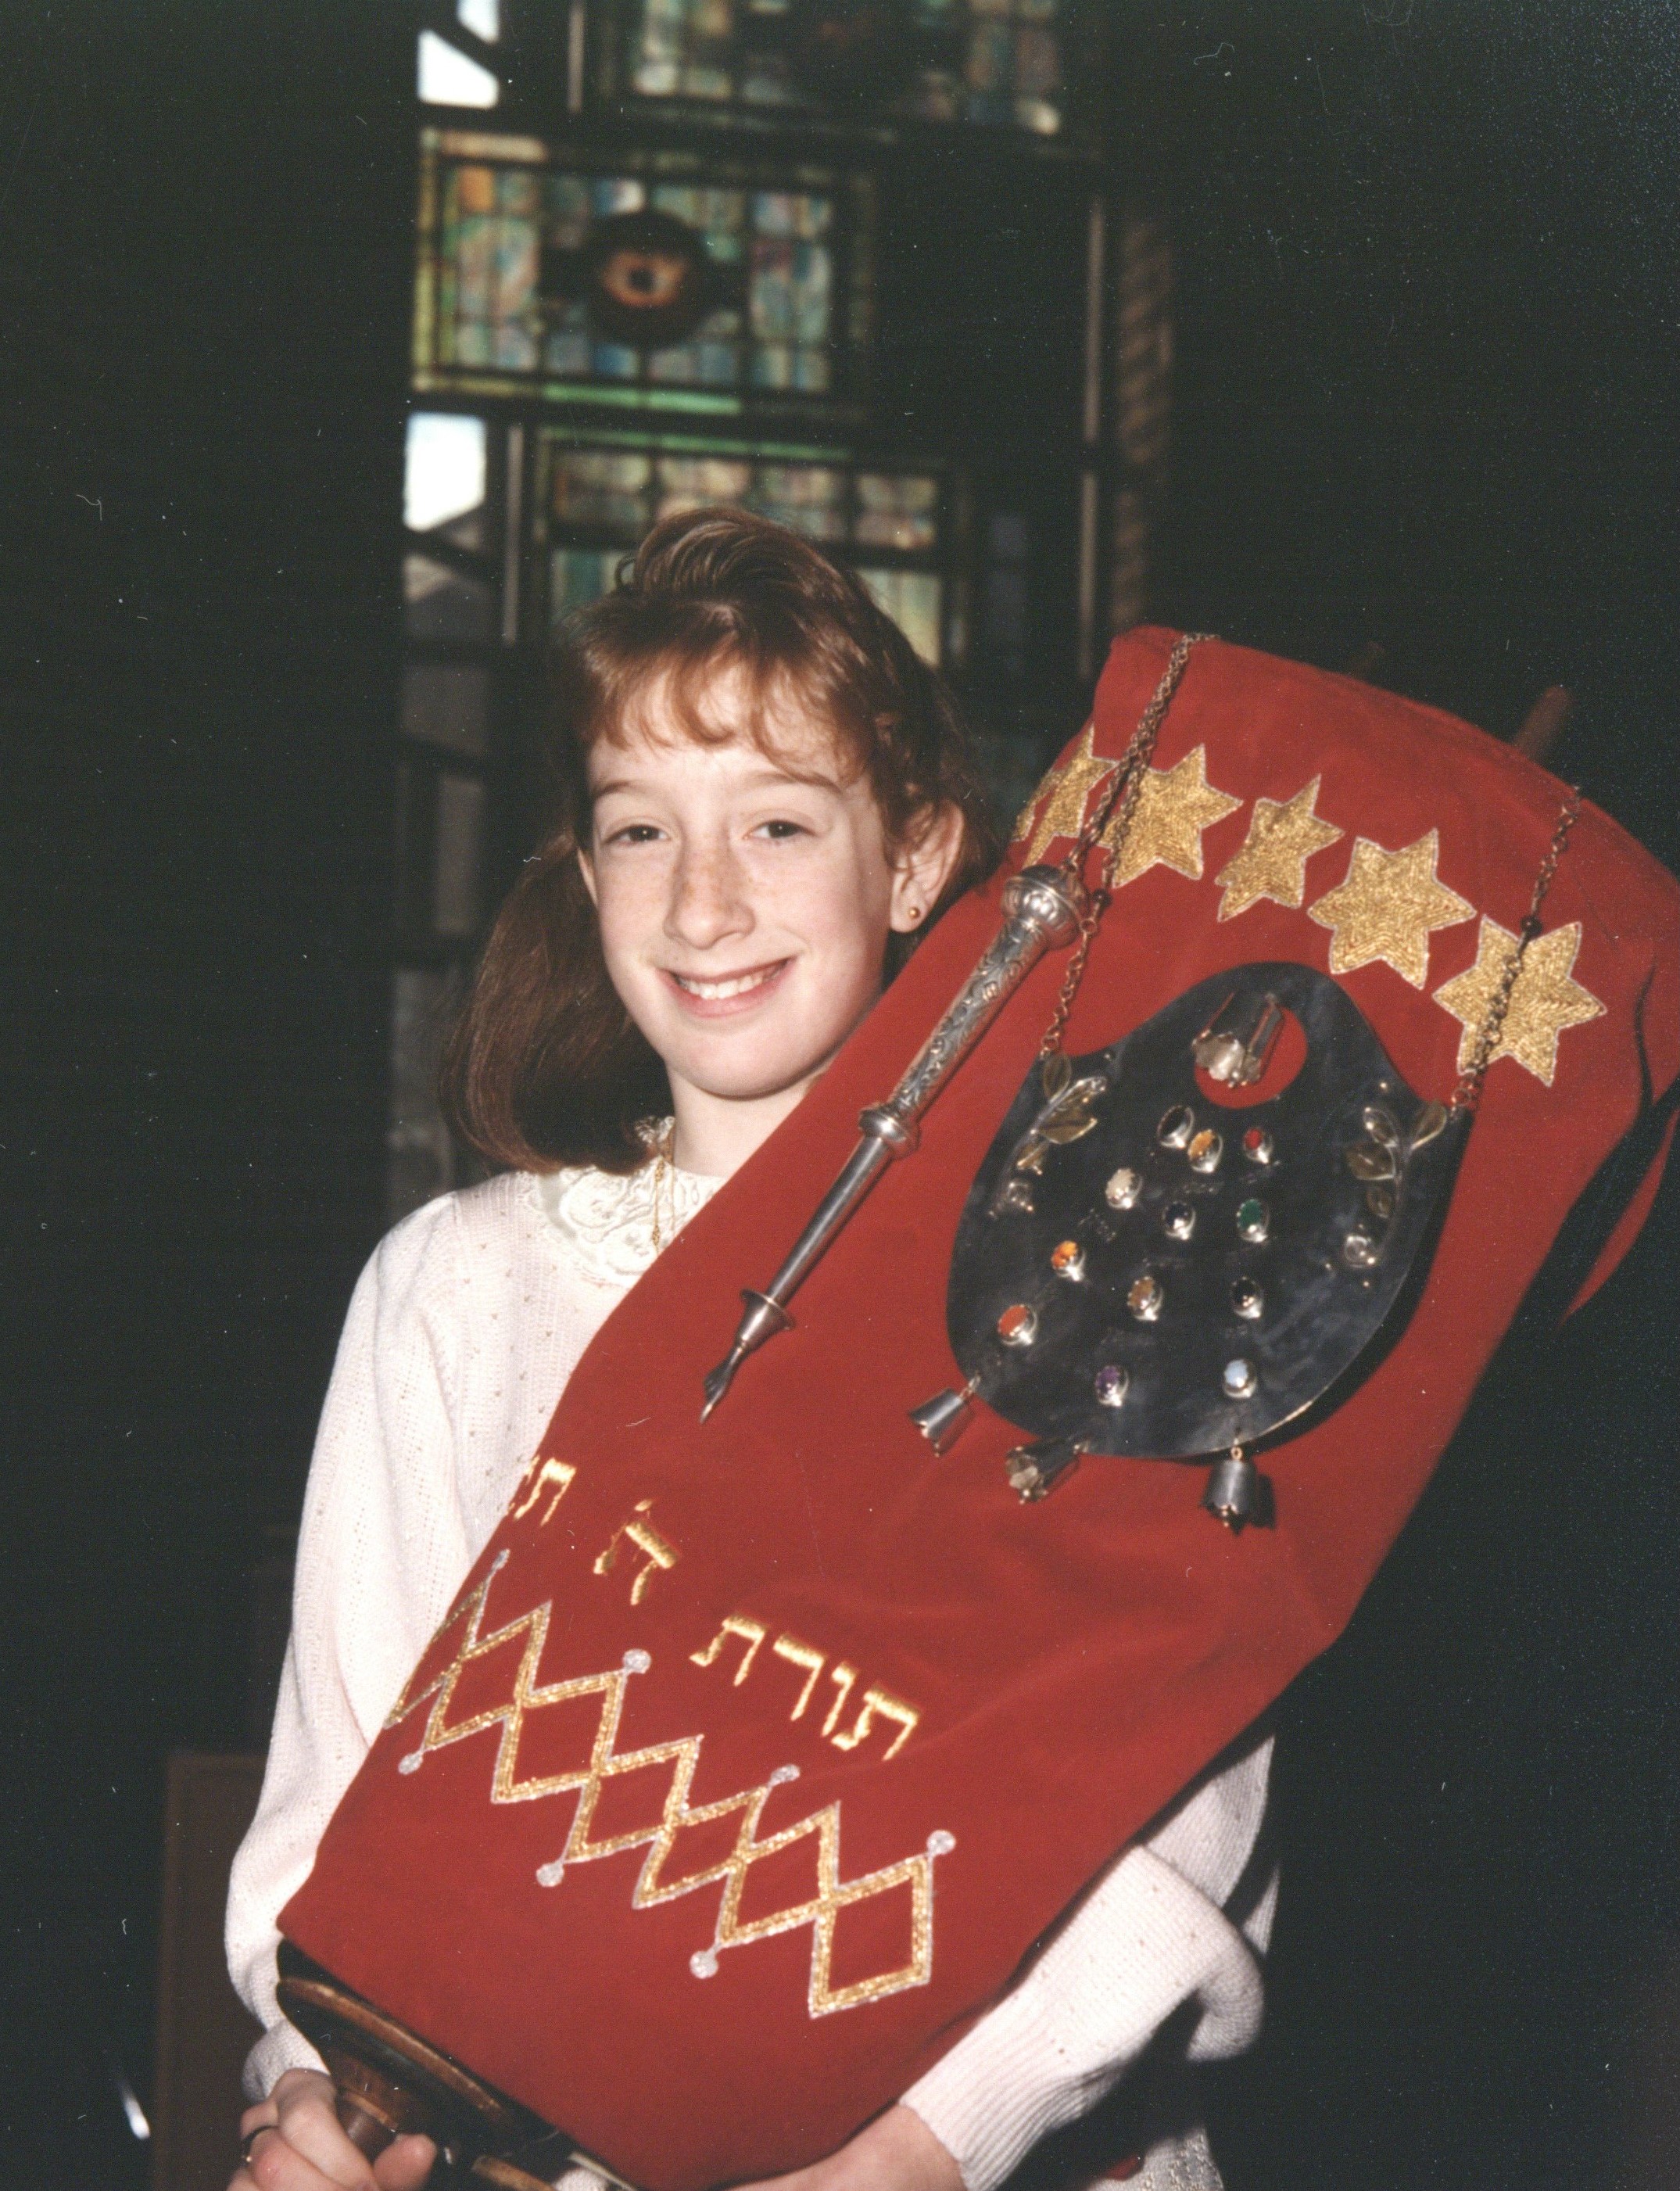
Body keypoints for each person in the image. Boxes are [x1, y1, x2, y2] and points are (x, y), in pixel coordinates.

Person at [226, 510, 1275, 2191]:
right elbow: (340, 1816)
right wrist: (319, 2096)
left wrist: (902, 2163)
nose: (703, 902)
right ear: (583, 872)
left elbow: (1170, 1838)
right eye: (641, 830)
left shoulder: (1096, 1290)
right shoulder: (454, 1289)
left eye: (778, 823)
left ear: (918, 859)